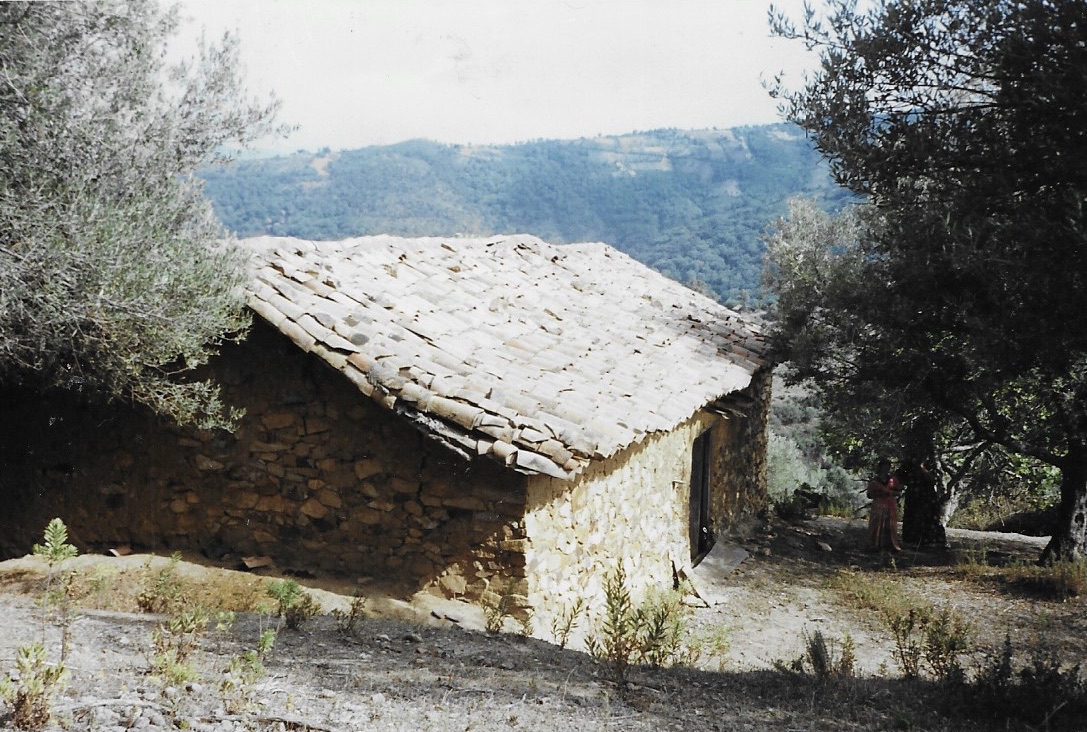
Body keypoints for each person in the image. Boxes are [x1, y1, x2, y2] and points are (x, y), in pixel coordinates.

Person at [866, 458, 902, 552]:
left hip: (890, 506)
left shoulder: (893, 480)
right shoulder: (874, 481)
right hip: (878, 507)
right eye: (884, 466)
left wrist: (890, 493)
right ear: (880, 467)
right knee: (877, 525)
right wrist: (879, 494)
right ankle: (875, 545)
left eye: (888, 466)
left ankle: (890, 546)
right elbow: (869, 495)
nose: (886, 469)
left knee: (890, 527)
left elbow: (899, 492)